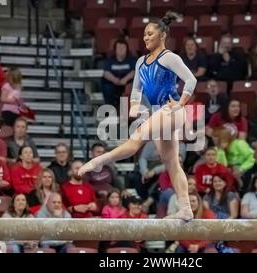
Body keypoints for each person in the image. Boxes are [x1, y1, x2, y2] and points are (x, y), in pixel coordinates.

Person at [78, 12, 198, 220]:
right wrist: (134, 107)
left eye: (150, 33)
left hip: (172, 111)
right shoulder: (141, 62)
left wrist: (180, 103)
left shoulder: (169, 57)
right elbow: (136, 92)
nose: (145, 37)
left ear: (162, 35)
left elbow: (191, 80)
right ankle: (186, 207)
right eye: (144, 34)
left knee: (135, 142)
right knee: (171, 162)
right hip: (159, 112)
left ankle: (100, 160)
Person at [101, 39, 136, 108]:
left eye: (123, 48)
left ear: (127, 49)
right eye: (119, 48)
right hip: (113, 84)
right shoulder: (110, 60)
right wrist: (115, 80)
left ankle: (124, 114)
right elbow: (106, 73)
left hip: (127, 84)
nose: (121, 50)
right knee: (107, 87)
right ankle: (111, 110)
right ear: (115, 50)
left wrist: (125, 79)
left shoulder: (132, 60)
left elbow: (134, 71)